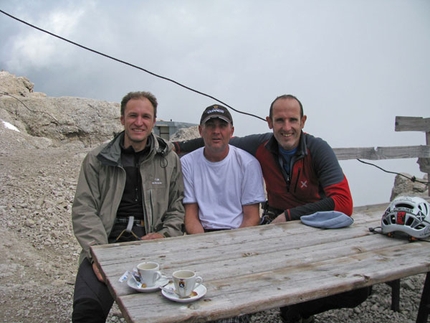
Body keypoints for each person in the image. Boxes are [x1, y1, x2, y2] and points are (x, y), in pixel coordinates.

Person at [173, 95, 371, 323]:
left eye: (292, 120)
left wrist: (289, 215)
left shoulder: (318, 150)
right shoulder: (262, 145)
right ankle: (272, 303)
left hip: (315, 226)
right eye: (279, 121)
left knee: (359, 288)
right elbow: (215, 141)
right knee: (272, 275)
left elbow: (344, 203)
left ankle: (298, 309)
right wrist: (175, 146)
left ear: (303, 121)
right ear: (269, 122)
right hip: (276, 226)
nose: (286, 128)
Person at [71, 91, 185, 323]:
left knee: (164, 312)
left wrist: (164, 235)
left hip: (150, 244)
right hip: (106, 243)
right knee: (86, 311)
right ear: (122, 119)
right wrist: (97, 254)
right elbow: (84, 208)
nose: (139, 122)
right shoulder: (97, 159)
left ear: (154, 121)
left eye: (146, 116)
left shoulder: (168, 160)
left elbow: (177, 206)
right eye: (133, 115)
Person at [181, 104, 266, 323]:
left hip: (238, 238)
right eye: (210, 126)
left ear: (231, 131)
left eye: (222, 125)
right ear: (200, 131)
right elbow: (191, 216)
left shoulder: (248, 163)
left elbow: (251, 217)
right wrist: (206, 252)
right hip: (202, 235)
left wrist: (230, 252)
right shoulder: (187, 163)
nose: (216, 131)